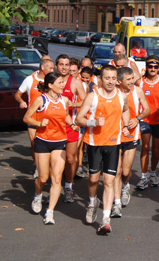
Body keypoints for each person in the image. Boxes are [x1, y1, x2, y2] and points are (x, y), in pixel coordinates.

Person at [75, 65, 131, 235]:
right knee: (93, 179)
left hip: (113, 144)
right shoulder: (93, 96)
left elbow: (126, 110)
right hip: (94, 143)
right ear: (100, 79)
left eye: (114, 78)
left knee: (108, 181)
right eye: (107, 78)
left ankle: (105, 219)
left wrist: (126, 125)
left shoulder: (122, 96)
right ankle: (92, 203)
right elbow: (78, 119)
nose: (111, 82)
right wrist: (93, 123)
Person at [23, 72, 78, 225]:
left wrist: (71, 123)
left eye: (63, 82)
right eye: (60, 83)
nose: (63, 85)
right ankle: (38, 194)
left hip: (59, 141)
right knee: (43, 177)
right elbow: (27, 117)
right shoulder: (41, 100)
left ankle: (49, 212)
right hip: (43, 141)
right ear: (50, 85)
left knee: (56, 178)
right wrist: (39, 123)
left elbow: (65, 116)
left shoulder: (64, 100)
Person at [113, 67, 150, 216]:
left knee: (126, 171)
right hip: (115, 134)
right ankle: (116, 203)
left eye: (132, 79)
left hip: (132, 134)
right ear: (119, 81)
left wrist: (138, 118)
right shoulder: (114, 91)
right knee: (117, 171)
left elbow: (147, 109)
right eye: (128, 80)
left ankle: (126, 186)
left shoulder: (138, 91)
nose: (131, 82)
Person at [14, 58, 55, 177]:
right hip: (33, 118)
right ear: (43, 68)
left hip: (48, 118)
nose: (53, 70)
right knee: (34, 144)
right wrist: (21, 101)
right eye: (51, 68)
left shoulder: (53, 81)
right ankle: (38, 167)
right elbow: (17, 94)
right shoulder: (30, 79)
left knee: (49, 143)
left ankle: (49, 166)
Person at [55, 54, 86, 203]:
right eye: (61, 64)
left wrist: (73, 105)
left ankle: (68, 186)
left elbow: (87, 101)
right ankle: (53, 186)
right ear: (56, 66)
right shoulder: (51, 81)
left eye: (66, 64)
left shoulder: (75, 82)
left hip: (70, 125)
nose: (64, 67)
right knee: (53, 160)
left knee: (70, 159)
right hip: (54, 126)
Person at [136, 55, 159, 190]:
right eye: (150, 66)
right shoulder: (140, 82)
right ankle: (143, 176)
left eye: (155, 66)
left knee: (156, 149)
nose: (153, 69)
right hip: (145, 119)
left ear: (158, 67)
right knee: (145, 147)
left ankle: (153, 173)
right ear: (146, 67)